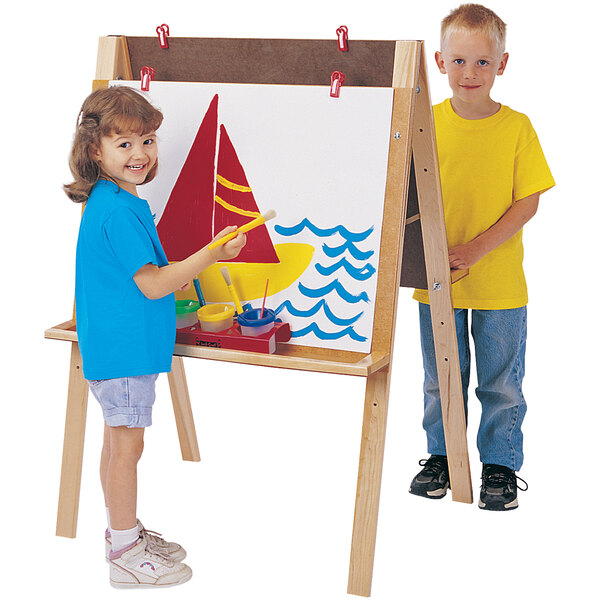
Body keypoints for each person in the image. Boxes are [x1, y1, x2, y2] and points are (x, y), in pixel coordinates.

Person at [64, 86, 246, 586]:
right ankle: (124, 553)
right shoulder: (119, 210)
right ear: (94, 150)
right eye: (124, 144)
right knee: (127, 450)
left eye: (148, 140)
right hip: (124, 350)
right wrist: (209, 255)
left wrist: (179, 272)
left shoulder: (116, 200)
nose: (140, 154)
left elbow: (142, 275)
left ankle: (121, 534)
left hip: (119, 345)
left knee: (115, 445)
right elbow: (151, 284)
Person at [408, 4, 555, 511]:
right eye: (459, 61)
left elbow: (528, 202)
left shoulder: (517, 128)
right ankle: (443, 455)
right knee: (439, 377)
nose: (470, 73)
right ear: (440, 61)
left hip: (499, 285)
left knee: (500, 382)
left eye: (483, 63)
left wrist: (474, 250)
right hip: (436, 281)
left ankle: (499, 464)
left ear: (503, 64)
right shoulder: (424, 125)